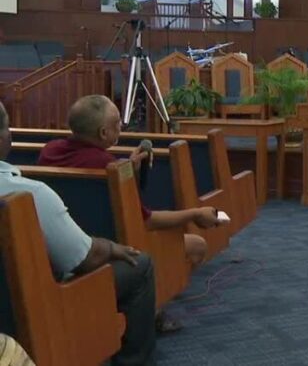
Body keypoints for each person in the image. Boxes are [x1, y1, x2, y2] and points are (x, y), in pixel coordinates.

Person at [38, 95, 220, 332]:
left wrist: (127, 171)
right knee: (197, 246)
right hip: (115, 249)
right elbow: (148, 221)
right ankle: (149, 308)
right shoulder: (106, 164)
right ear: (103, 133)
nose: (121, 127)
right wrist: (195, 213)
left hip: (62, 249)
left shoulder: (49, 152)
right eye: (116, 124)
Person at [0, 102, 157, 366]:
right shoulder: (29, 194)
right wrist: (109, 247)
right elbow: (84, 258)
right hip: (27, 313)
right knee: (140, 265)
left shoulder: (51, 152)